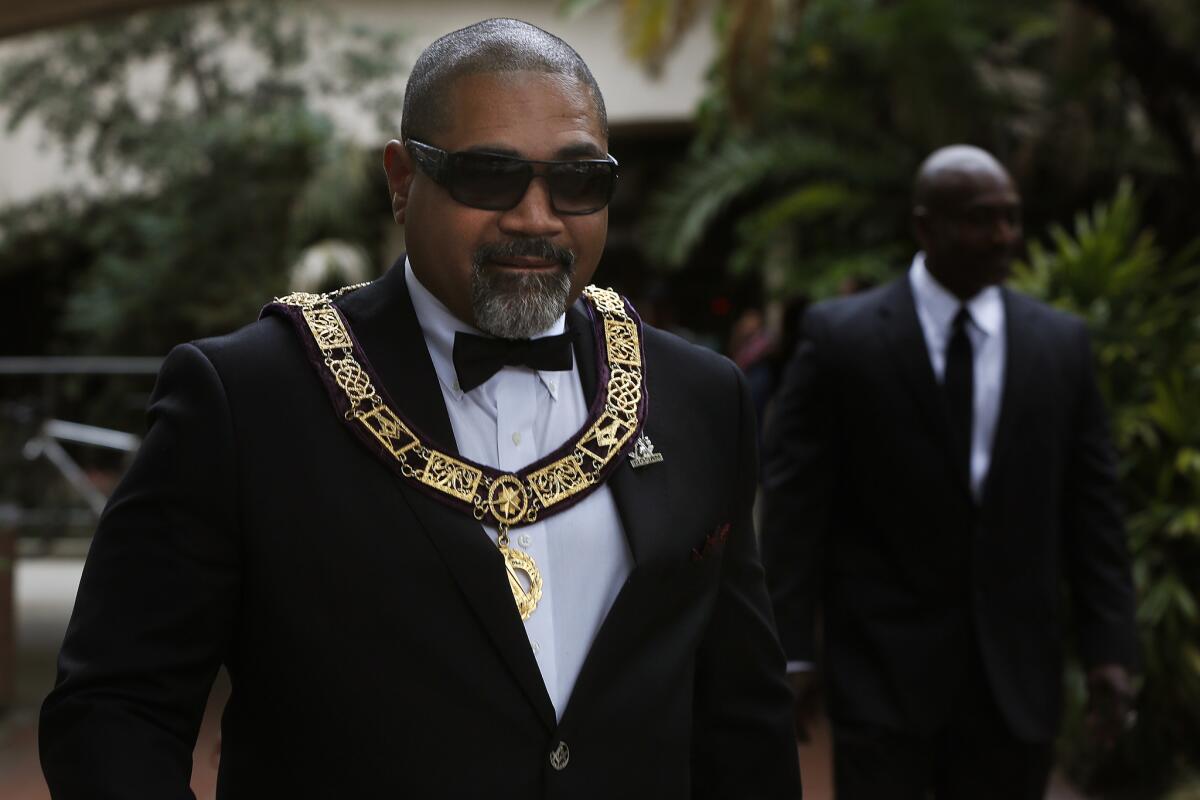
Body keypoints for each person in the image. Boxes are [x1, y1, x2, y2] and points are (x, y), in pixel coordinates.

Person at [39, 19, 802, 798]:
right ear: (403, 181)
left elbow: (743, 719)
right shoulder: (247, 399)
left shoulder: (698, 397)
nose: (537, 218)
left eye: (577, 181)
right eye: (488, 175)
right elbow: (116, 708)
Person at [760, 144, 1138, 799]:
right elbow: (796, 509)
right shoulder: (842, 339)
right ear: (925, 227)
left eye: (1013, 219)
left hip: (1015, 681)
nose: (1004, 237)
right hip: (881, 675)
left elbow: (1092, 508)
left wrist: (1111, 648)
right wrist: (791, 651)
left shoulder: (1060, 345)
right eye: (981, 219)